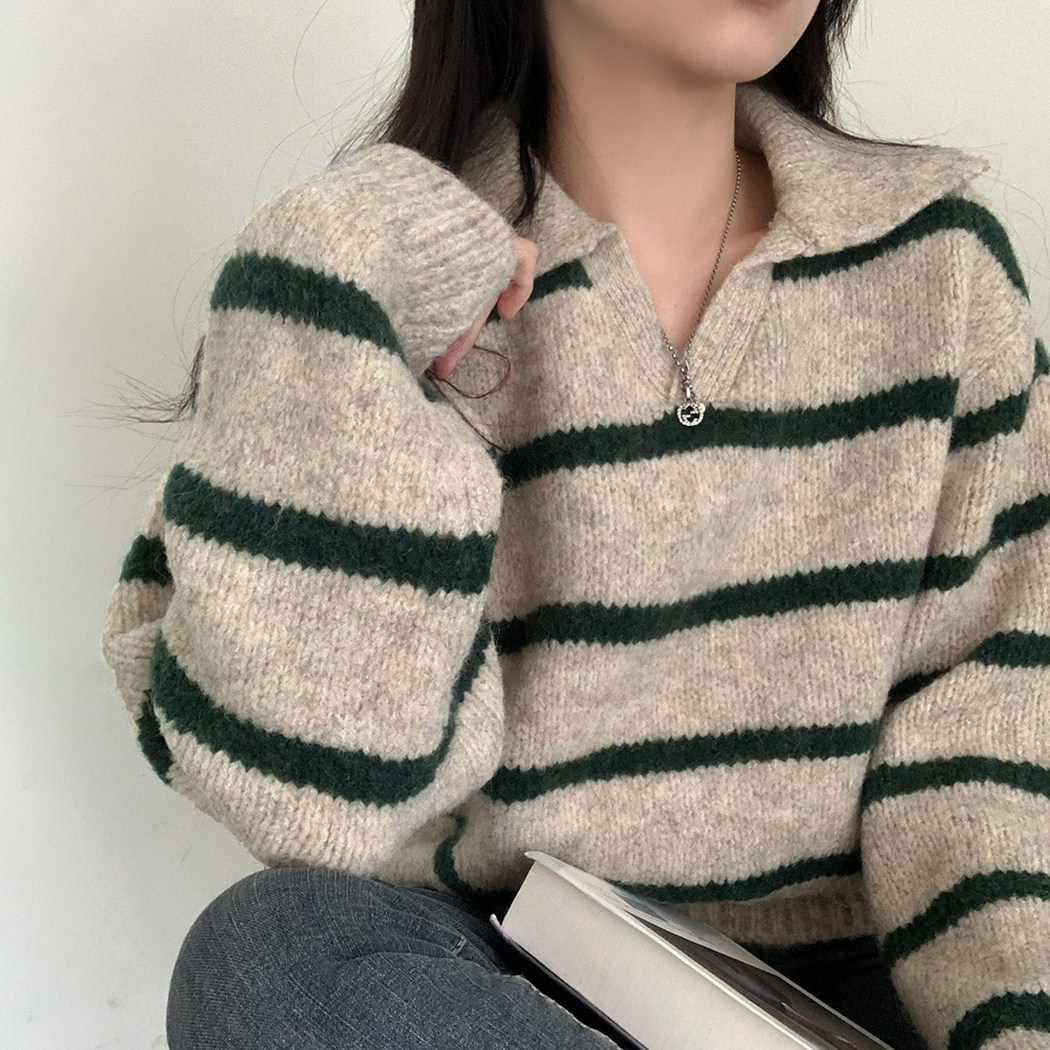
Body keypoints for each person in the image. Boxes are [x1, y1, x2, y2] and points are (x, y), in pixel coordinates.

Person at [100, 0, 1050, 1048]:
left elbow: (990, 751)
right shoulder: (385, 276)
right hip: (508, 969)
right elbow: (305, 802)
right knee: (267, 955)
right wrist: (332, 303)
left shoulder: (938, 266)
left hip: (849, 987)